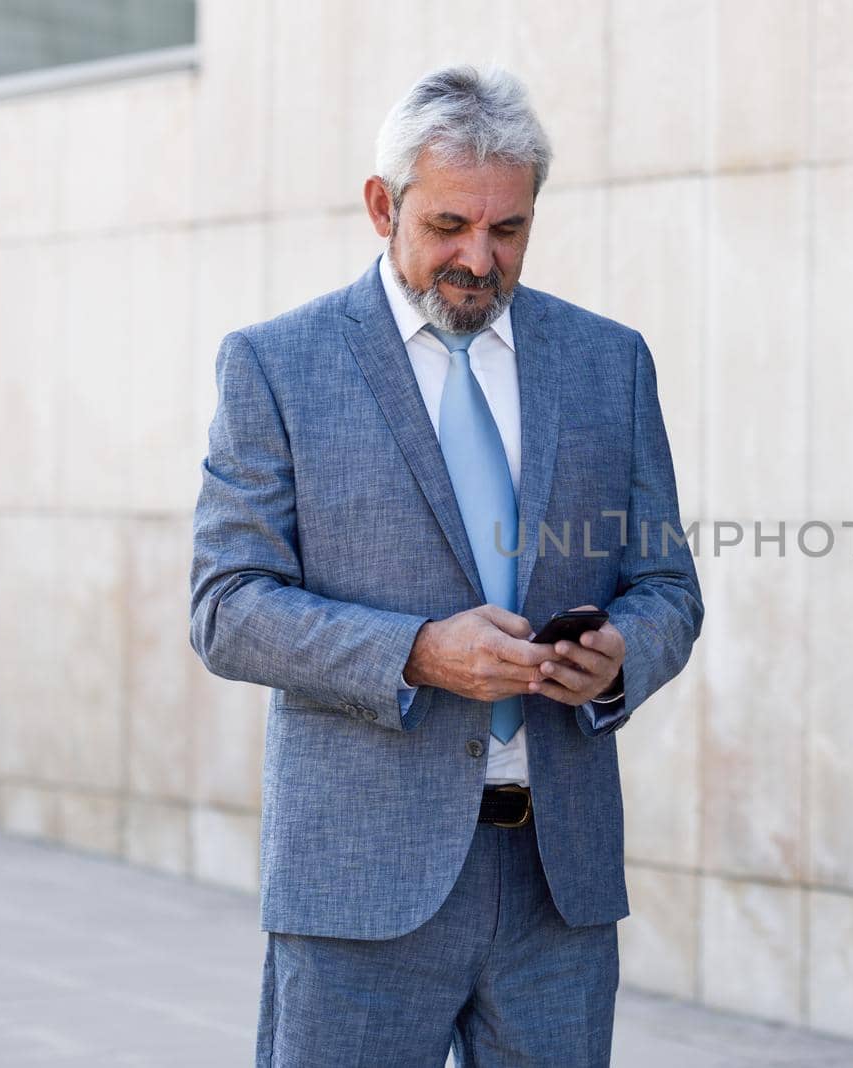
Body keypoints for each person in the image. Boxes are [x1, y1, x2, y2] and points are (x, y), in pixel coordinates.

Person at [188, 65, 703, 1067]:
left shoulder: (609, 363)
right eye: (449, 225)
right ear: (382, 206)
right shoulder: (277, 365)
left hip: (557, 884)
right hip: (359, 880)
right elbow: (227, 607)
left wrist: (619, 655)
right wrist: (419, 652)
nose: (479, 257)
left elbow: (666, 588)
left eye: (507, 230)